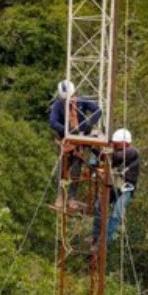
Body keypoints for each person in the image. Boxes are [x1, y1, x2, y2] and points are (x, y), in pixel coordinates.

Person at [49, 80, 102, 212]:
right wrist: (66, 130)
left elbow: (97, 110)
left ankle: (71, 198)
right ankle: (60, 196)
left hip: (80, 142)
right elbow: (53, 122)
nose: (70, 100)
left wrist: (89, 124)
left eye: (72, 96)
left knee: (76, 171)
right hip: (66, 141)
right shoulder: (58, 105)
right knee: (62, 170)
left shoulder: (81, 101)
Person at [93, 128, 139, 250]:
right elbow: (107, 159)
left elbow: (115, 157)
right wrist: (94, 148)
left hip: (126, 189)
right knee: (99, 205)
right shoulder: (117, 153)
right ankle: (96, 236)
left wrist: (103, 148)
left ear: (125, 143)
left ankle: (103, 242)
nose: (115, 145)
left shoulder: (132, 152)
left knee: (117, 212)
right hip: (115, 186)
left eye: (116, 143)